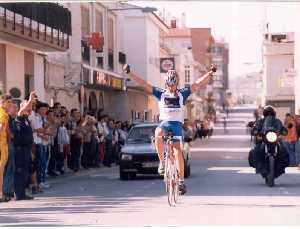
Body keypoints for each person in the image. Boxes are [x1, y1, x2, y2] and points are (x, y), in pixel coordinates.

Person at [123, 64, 216, 195]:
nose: (171, 88)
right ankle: (162, 162)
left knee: (178, 152)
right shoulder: (160, 93)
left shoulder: (182, 93)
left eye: (173, 85)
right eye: (169, 85)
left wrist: (210, 73)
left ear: (177, 84)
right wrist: (129, 73)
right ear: (166, 84)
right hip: (164, 124)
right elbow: (144, 84)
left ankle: (181, 182)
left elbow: (197, 84)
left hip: (177, 125)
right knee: (157, 133)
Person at [250, 106, 289, 177]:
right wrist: (255, 131)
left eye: (270, 113)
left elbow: (282, 128)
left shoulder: (277, 121)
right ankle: (259, 166)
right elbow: (256, 127)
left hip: (275, 139)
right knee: (257, 150)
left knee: (284, 150)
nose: (269, 114)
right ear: (265, 114)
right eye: (268, 113)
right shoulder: (260, 121)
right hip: (264, 139)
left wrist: (283, 131)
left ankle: (281, 167)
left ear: (273, 114)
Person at [13, 92, 35, 200]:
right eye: (27, 106)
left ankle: (22, 192)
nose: (30, 108)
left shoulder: (26, 120)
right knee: (20, 171)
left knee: (25, 171)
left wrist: (31, 151)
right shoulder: (19, 117)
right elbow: (22, 110)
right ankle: (18, 193)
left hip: (26, 149)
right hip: (20, 150)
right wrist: (30, 100)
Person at [0, 94, 12, 202]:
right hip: (1, 145)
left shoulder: (5, 114)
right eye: (8, 102)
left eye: (10, 102)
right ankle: (0, 194)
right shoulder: (2, 114)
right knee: (1, 169)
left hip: (4, 144)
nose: (10, 104)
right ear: (3, 103)